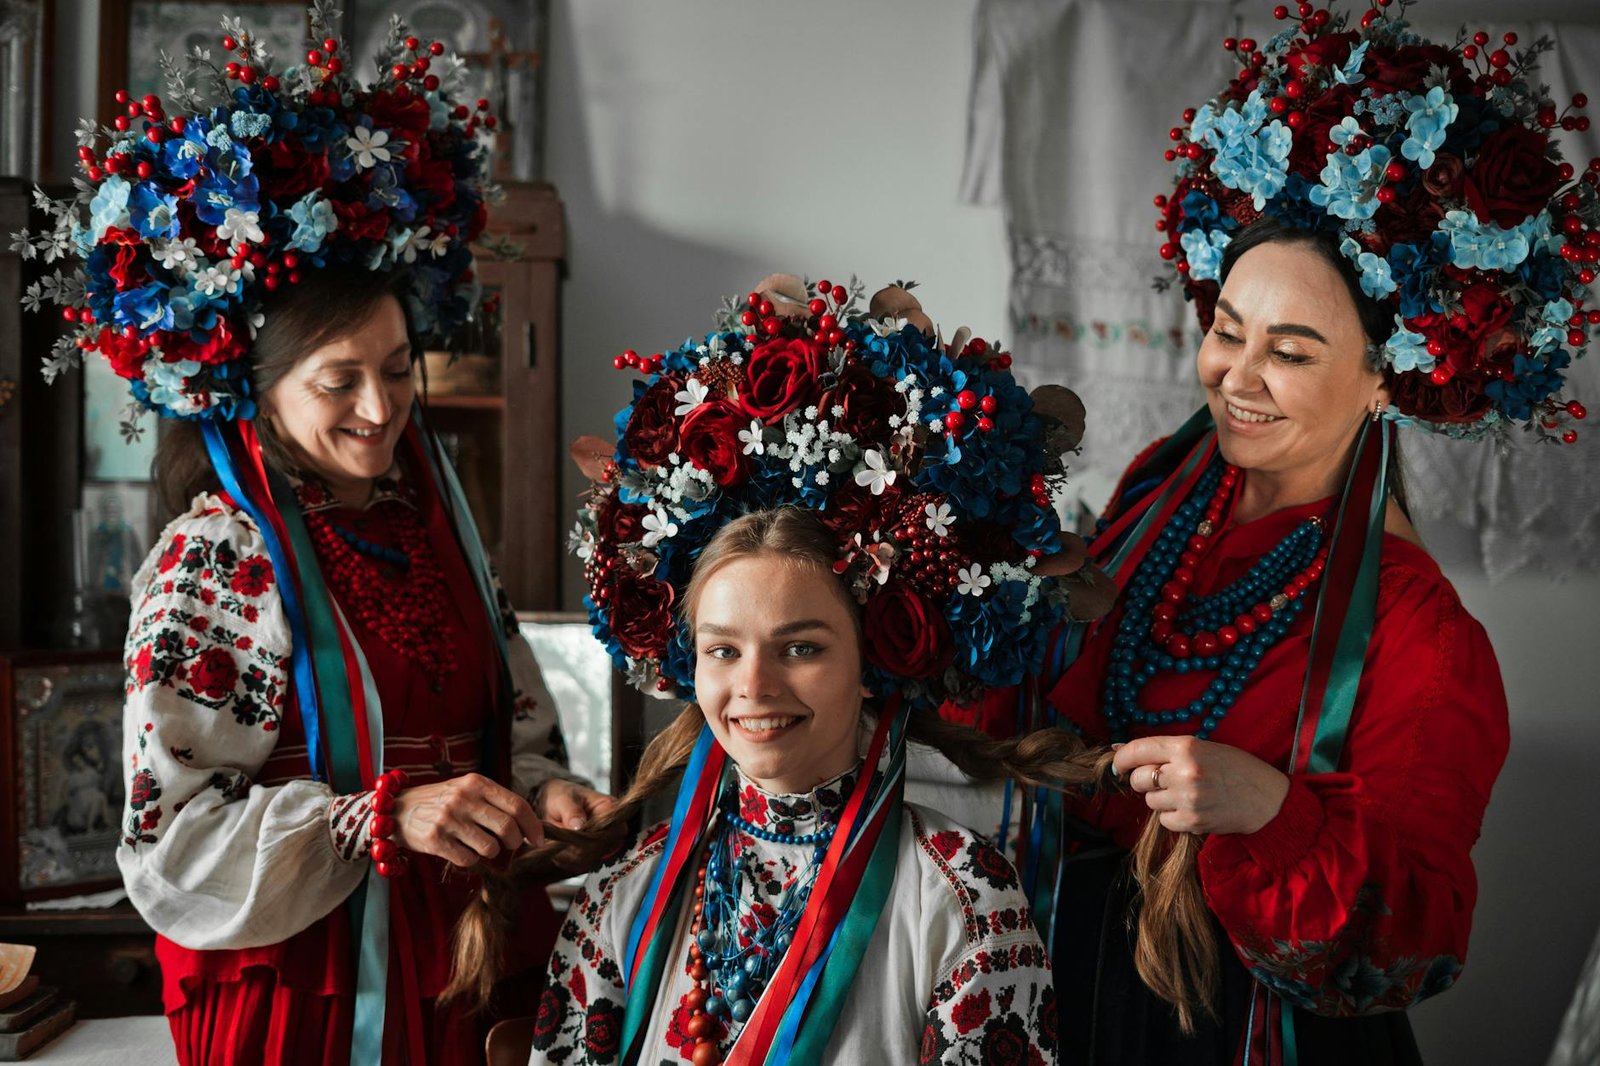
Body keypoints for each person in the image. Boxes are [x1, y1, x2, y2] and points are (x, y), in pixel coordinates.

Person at [972, 5, 1594, 1063]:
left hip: (1230, 1031)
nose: (1234, 377)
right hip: (1056, 989)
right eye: (1226, 329)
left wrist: (1269, 806)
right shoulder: (1160, 493)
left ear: (1387, 379)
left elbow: (1414, 940)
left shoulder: (1421, 638)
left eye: (1291, 352)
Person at [20, 11, 611, 1065]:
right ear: (258, 397)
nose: (382, 410)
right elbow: (173, 843)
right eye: (339, 381)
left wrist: (540, 792)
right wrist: (376, 818)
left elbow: (504, 731)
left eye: (395, 370)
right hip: (318, 992)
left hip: (466, 968)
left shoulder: (432, 535)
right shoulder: (216, 561)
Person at [443, 277, 1211, 1065]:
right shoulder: (626, 898)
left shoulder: (962, 896)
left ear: (873, 659)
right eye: (724, 649)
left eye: (801, 647)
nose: (755, 686)